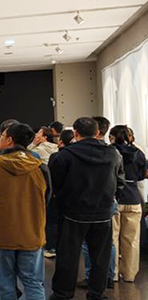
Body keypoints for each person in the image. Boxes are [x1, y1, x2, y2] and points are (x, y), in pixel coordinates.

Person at [48, 117, 125, 300]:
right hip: (103, 212)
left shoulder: (65, 155)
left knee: (68, 256)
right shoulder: (113, 154)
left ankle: (63, 293)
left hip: (72, 213)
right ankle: (97, 293)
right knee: (100, 257)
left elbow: (54, 184)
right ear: (97, 132)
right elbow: (120, 182)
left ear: (75, 133)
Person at [0, 123, 51, 300]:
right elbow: (46, 198)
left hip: (0, 231)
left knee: (4, 283)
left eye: (2, 136)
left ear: (10, 140)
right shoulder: (40, 167)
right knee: (33, 283)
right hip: (32, 231)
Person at [109, 125, 147, 283]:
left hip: (113, 199)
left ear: (112, 137)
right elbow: (142, 176)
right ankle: (130, 274)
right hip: (133, 199)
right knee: (131, 239)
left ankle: (113, 273)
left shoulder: (109, 152)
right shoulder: (139, 153)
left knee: (112, 239)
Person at [45, 129, 75, 258]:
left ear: (61, 142)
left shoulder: (56, 156)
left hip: (57, 195)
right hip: (74, 196)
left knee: (53, 222)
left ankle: (52, 247)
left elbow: (51, 176)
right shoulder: (78, 156)